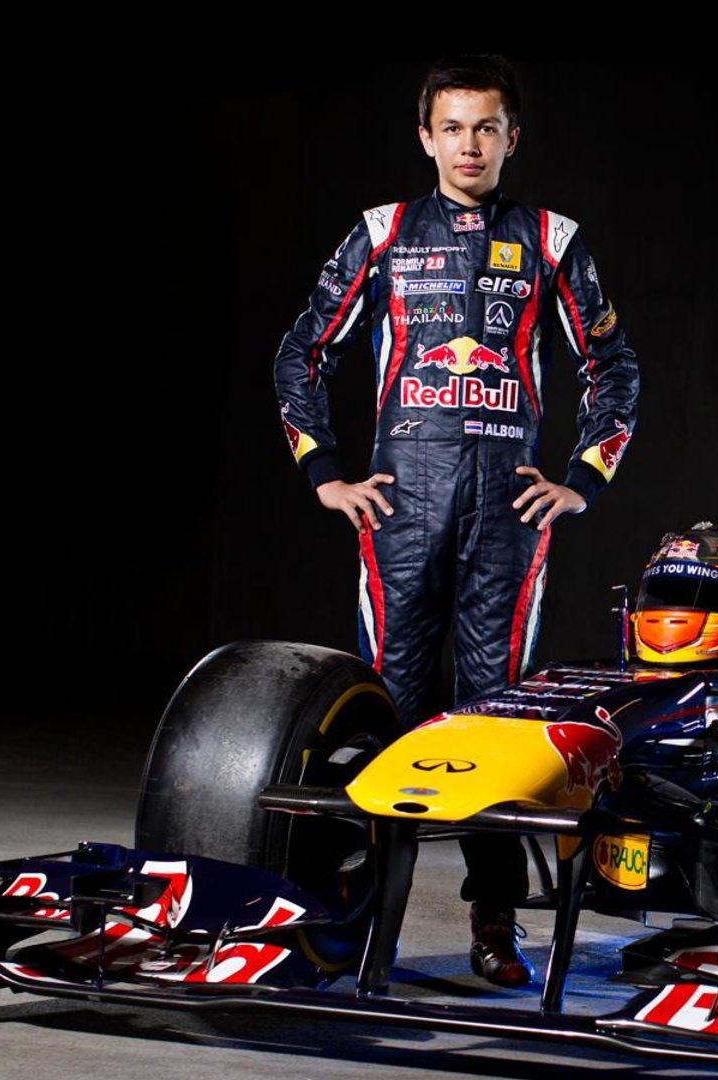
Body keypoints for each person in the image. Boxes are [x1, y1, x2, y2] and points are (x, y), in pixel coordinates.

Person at [271, 55, 641, 989]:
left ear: (512, 138)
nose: (469, 145)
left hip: (507, 519)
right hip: (401, 510)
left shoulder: (552, 238)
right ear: (425, 137)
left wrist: (582, 480)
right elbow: (300, 353)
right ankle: (363, 922)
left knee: (493, 721)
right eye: (452, 128)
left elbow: (614, 368)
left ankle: (494, 923)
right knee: (387, 717)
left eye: (486, 128)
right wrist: (324, 473)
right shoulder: (382, 232)